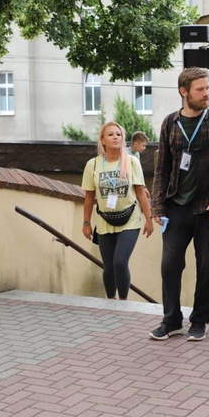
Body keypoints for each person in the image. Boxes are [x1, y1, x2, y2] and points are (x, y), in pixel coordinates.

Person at [149, 67, 209, 342]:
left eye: (208, 88)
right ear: (183, 92)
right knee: (169, 265)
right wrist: (158, 207)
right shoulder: (169, 124)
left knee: (208, 267)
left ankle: (199, 320)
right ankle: (171, 320)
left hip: (208, 209)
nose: (206, 93)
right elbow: (161, 168)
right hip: (176, 208)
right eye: (200, 89)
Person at [81, 122, 153, 300]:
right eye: (111, 134)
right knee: (109, 266)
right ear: (103, 140)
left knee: (120, 262)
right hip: (105, 220)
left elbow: (140, 193)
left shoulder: (132, 162)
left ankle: (123, 302)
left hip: (130, 219)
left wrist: (149, 220)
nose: (115, 137)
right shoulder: (93, 164)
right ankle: (111, 301)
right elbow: (89, 197)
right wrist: (86, 223)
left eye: (118, 135)